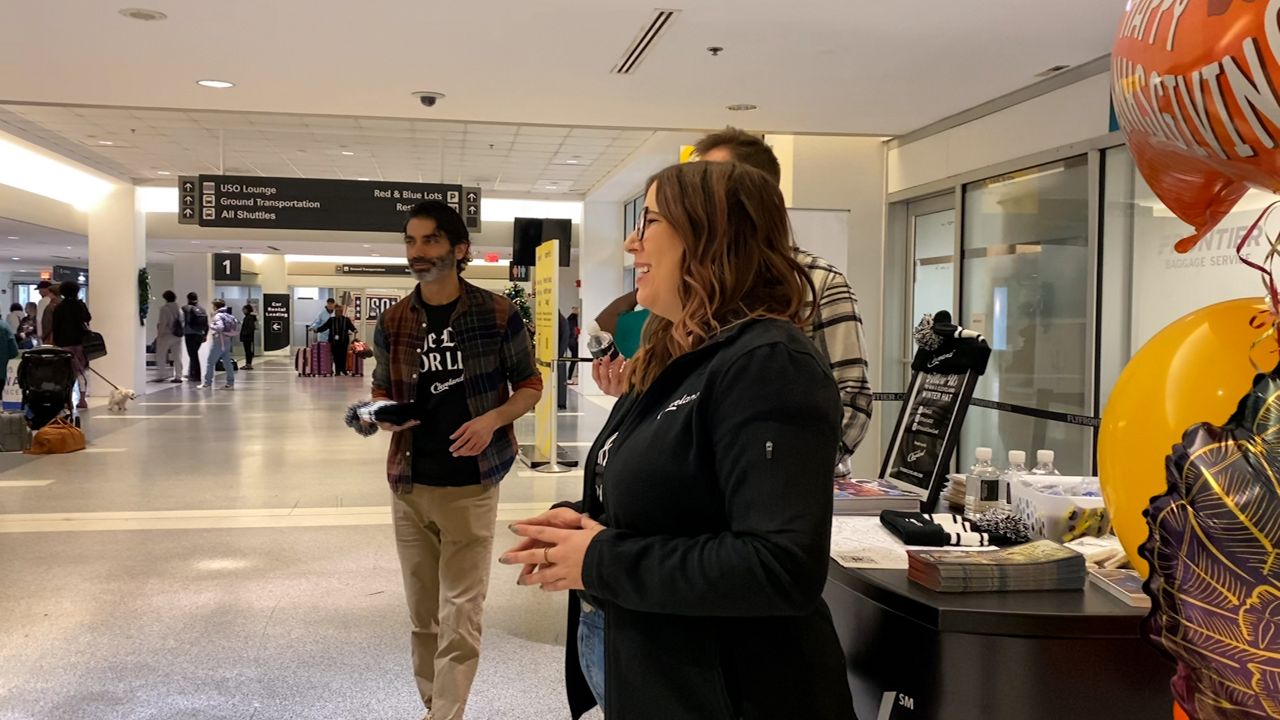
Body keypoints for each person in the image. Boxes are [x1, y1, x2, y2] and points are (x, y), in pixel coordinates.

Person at [501, 162, 855, 720]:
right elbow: (681, 503)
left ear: (711, 238)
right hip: (664, 677)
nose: (631, 241)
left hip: (741, 693)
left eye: (650, 221)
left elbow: (781, 568)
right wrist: (583, 520)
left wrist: (602, 557)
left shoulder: (768, 364)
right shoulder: (681, 358)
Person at [594, 126, 875, 467]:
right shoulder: (679, 297)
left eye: (708, 185)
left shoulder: (816, 284)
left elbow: (851, 397)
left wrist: (788, 468)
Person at [368, 200, 542, 720]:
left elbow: (530, 386)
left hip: (471, 483)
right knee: (424, 615)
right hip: (410, 482)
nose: (418, 252)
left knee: (460, 610)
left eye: (430, 241)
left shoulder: (496, 314)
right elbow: (379, 392)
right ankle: (434, 707)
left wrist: (491, 420)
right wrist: (384, 414)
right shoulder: (395, 320)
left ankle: (447, 714)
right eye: (411, 242)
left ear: (459, 248)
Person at [52, 280, 91, 409]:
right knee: (81, 371)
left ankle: (67, 400)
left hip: (64, 344)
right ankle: (83, 399)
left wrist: (57, 343)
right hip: (80, 343)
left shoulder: (59, 308)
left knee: (66, 373)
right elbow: (87, 318)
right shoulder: (80, 305)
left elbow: (55, 327)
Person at [202, 300, 238, 390]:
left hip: (218, 341)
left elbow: (220, 327)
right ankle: (230, 382)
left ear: (215, 306)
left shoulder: (217, 316)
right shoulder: (228, 315)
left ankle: (207, 383)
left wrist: (211, 325)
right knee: (227, 363)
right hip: (227, 341)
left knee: (210, 362)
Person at [313, 305, 356, 376]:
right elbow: (324, 326)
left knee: (343, 355)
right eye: (336, 311)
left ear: (341, 312)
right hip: (333, 342)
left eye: (338, 311)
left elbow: (351, 327)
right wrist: (317, 330)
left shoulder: (346, 320)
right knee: (336, 356)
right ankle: (337, 370)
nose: (336, 313)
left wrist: (354, 330)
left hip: (344, 341)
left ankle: (343, 369)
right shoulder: (331, 320)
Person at [154, 291, 184, 383]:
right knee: (177, 356)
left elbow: (163, 323)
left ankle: (161, 375)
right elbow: (182, 322)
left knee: (161, 355)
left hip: (166, 335)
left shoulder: (164, 309)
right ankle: (178, 376)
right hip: (177, 335)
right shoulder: (179, 309)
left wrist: (159, 335)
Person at [182, 292, 209, 382]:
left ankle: (196, 375)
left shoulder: (186, 308)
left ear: (188, 299)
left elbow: (182, 321)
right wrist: (205, 335)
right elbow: (206, 324)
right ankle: (192, 373)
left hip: (190, 334)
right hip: (200, 334)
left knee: (193, 355)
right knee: (193, 354)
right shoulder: (202, 309)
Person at [35, 280, 53, 346]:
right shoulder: (56, 300)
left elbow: (39, 319)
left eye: (40, 290)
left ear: (47, 289)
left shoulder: (42, 301)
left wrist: (40, 335)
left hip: (45, 334)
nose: (39, 292)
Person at [240, 304, 257, 370]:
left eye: (244, 309)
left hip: (247, 337)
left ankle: (248, 364)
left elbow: (250, 328)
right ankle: (248, 364)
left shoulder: (249, 318)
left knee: (248, 351)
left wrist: (245, 334)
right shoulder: (248, 317)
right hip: (247, 337)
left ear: (247, 310)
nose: (243, 311)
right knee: (247, 351)